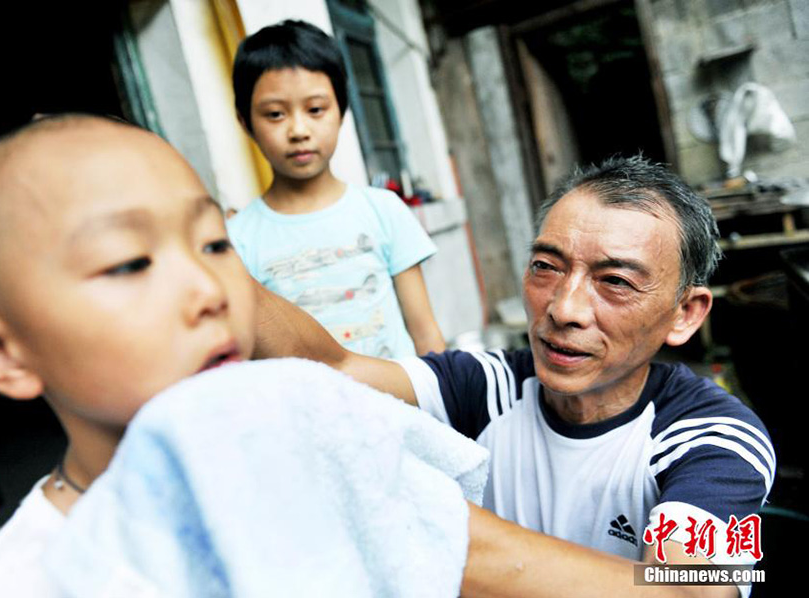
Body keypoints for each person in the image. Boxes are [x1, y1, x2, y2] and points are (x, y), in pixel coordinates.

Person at [252, 155, 775, 597]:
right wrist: (204, 255)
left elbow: (688, 590)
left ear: (686, 313)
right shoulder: (491, 384)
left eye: (614, 281)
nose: (564, 309)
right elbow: (330, 367)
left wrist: (430, 527)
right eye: (546, 267)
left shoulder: (716, 437)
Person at [0, 114, 258, 596]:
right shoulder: (28, 582)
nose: (210, 290)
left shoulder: (327, 454)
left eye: (214, 243)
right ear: (3, 354)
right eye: (128, 262)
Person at [227, 20, 445, 359]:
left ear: (341, 110)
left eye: (315, 109)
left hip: (401, 409)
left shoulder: (383, 210)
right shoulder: (238, 240)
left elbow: (426, 334)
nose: (299, 130)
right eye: (274, 114)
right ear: (245, 122)